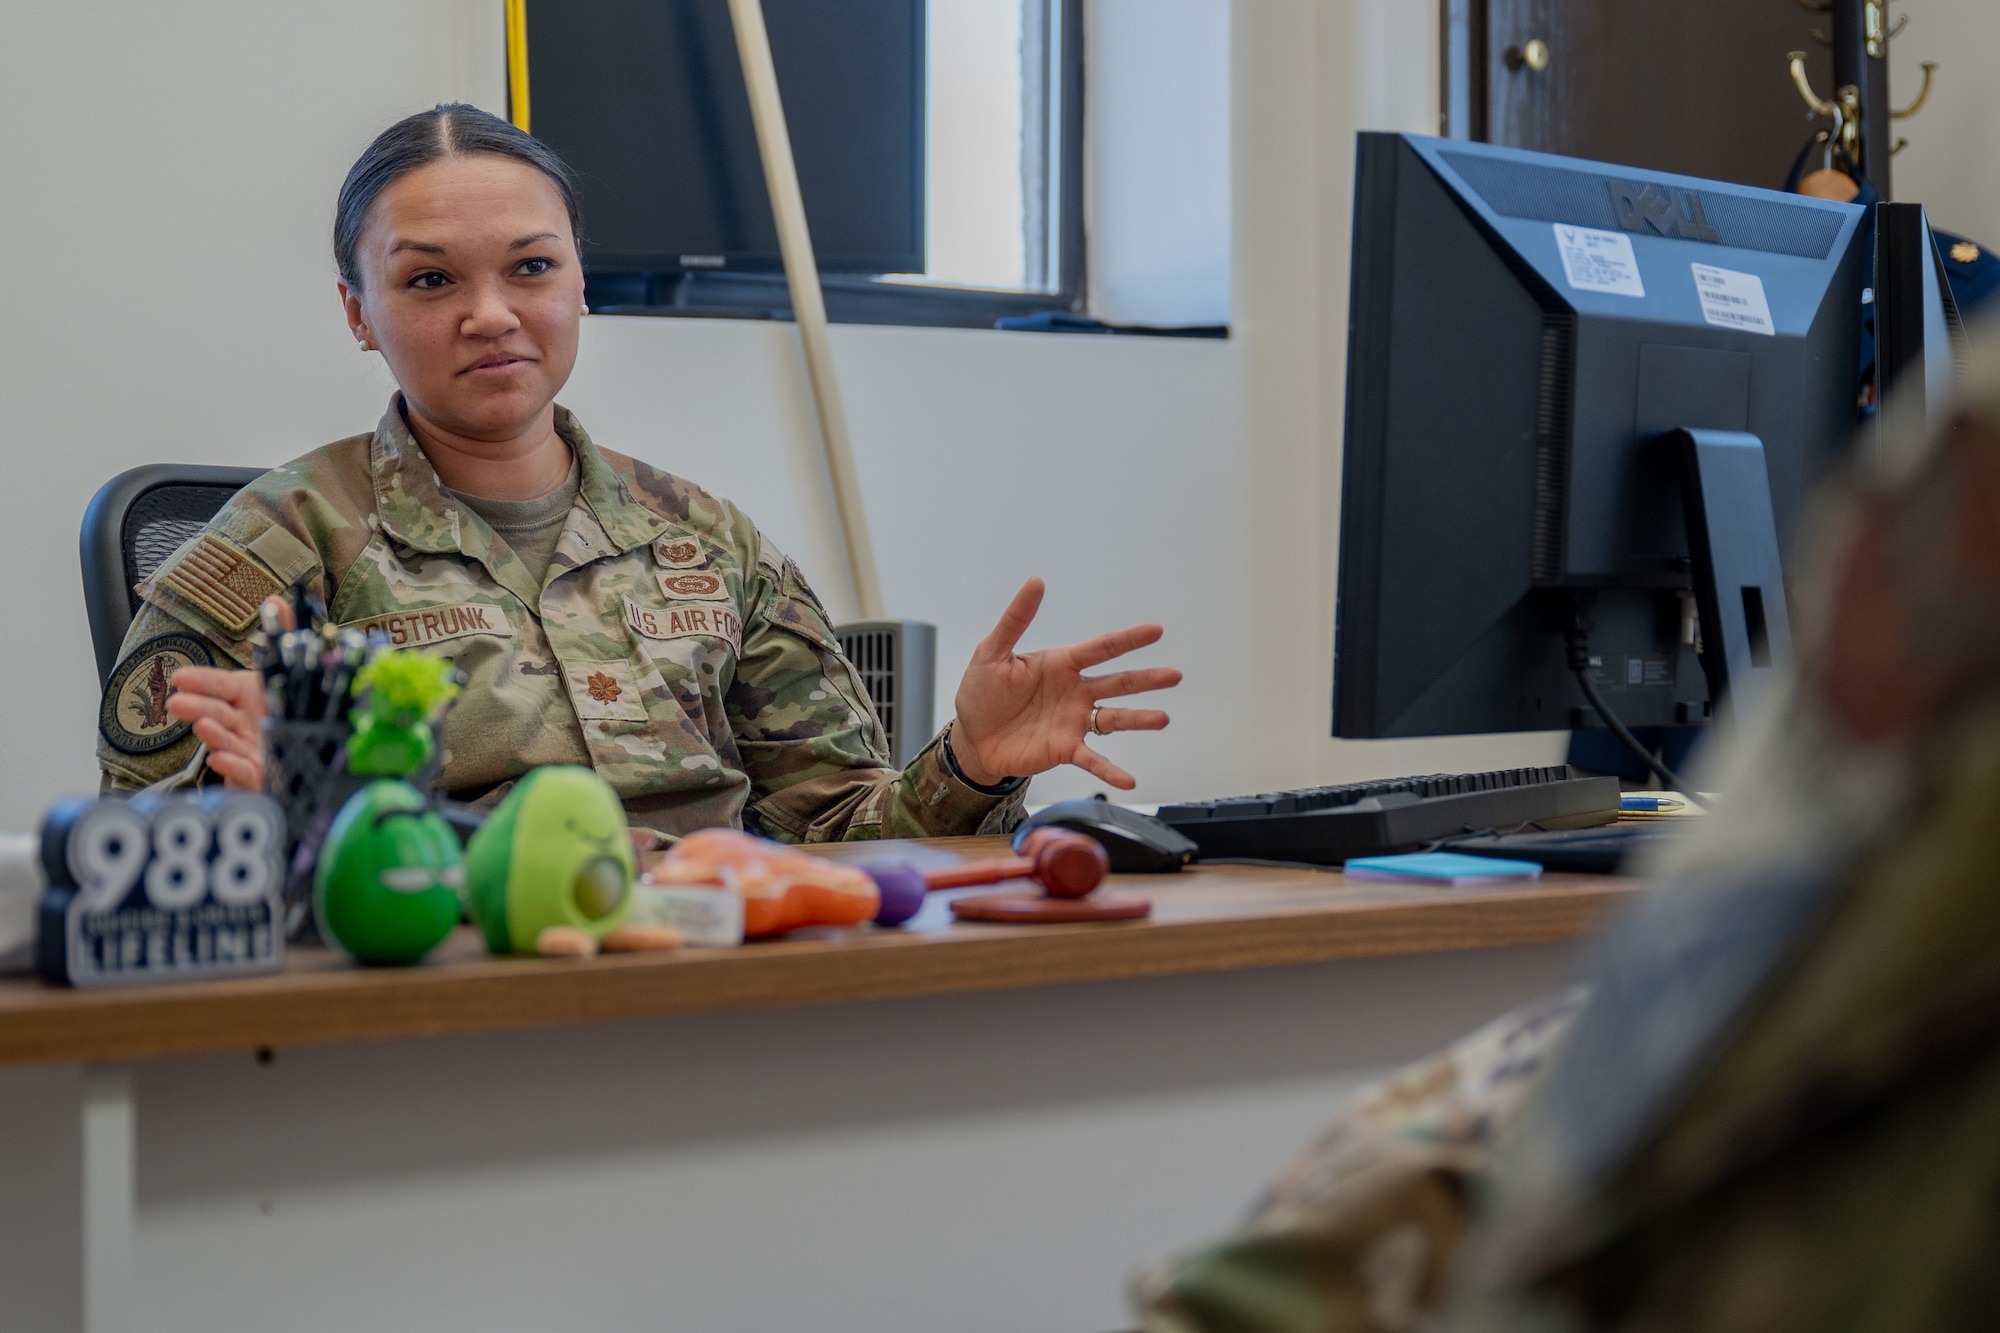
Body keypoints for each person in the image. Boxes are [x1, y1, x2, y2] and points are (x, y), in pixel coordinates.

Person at [96, 104, 1180, 838]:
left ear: (578, 282)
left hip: (719, 980)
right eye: (428, 280)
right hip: (441, 1001)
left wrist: (973, 764)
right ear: (357, 313)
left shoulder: (707, 540)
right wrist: (280, 803)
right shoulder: (275, 543)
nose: (490, 314)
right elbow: (130, 847)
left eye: (531, 267)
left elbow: (846, 839)